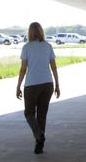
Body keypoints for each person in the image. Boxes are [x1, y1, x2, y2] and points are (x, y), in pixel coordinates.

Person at [16, 21, 60, 154]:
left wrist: (18, 86)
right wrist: (57, 84)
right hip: (47, 84)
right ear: (41, 31)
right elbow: (54, 67)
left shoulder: (26, 47)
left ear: (30, 32)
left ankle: (38, 135)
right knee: (42, 115)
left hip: (31, 85)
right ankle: (39, 145)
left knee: (29, 113)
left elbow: (23, 69)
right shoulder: (48, 46)